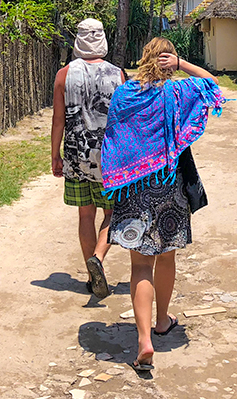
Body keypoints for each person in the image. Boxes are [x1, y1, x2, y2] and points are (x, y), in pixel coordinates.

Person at [100, 38, 223, 372]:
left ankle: (143, 340)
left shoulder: (125, 94)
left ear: (143, 58)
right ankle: (162, 321)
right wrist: (182, 64)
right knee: (166, 256)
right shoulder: (176, 93)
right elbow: (213, 85)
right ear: (168, 62)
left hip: (133, 188)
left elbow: (113, 139)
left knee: (140, 266)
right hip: (169, 186)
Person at [52, 19, 126, 299]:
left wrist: (54, 155)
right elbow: (123, 119)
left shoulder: (64, 75)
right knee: (111, 213)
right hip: (108, 157)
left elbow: (58, 119)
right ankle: (98, 257)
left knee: (85, 214)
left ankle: (90, 273)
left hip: (74, 153)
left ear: (78, 41)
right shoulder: (117, 74)